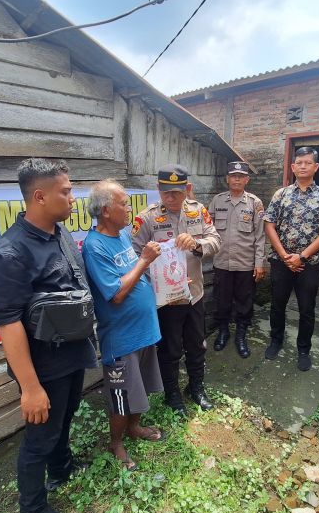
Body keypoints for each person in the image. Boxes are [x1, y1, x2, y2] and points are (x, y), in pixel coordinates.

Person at [0, 158, 97, 513]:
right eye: (66, 191)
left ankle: (62, 468)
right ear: (40, 196)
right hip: (42, 366)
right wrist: (30, 389)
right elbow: (9, 326)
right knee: (40, 436)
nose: (73, 197)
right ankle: (33, 510)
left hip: (72, 352)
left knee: (66, 416)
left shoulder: (59, 234)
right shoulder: (9, 255)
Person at [82, 180, 166, 470]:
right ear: (106, 210)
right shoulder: (94, 247)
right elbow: (116, 294)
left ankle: (134, 428)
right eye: (124, 204)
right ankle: (116, 442)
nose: (129, 209)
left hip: (143, 331)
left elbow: (132, 275)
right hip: (121, 338)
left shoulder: (120, 236)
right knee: (121, 397)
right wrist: (144, 260)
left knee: (139, 386)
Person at [132, 164, 221, 415]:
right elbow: (136, 257)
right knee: (170, 349)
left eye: (177, 193)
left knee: (197, 345)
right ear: (158, 189)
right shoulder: (147, 218)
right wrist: (163, 284)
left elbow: (216, 241)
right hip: (167, 301)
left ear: (188, 189)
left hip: (194, 296)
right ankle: (172, 394)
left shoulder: (197, 211)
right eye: (166, 192)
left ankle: (196, 388)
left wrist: (196, 243)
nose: (171, 198)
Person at [263, 147, 319, 371]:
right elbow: (269, 224)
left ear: (316, 167)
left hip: (310, 264)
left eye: (308, 162)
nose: (303, 166)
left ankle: (304, 349)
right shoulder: (281, 194)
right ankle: (276, 340)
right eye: (299, 162)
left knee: (307, 308)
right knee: (277, 305)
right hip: (281, 262)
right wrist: (285, 255)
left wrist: (302, 257)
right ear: (293, 167)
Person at [208, 161, 267, 358]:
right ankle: (223, 331)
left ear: (246, 180)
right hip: (222, 262)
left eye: (240, 176)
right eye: (233, 176)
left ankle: (241, 335)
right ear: (227, 179)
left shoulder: (254, 203)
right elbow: (208, 230)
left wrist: (259, 263)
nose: (236, 179)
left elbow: (260, 236)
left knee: (244, 301)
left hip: (245, 263)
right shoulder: (217, 201)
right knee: (222, 300)